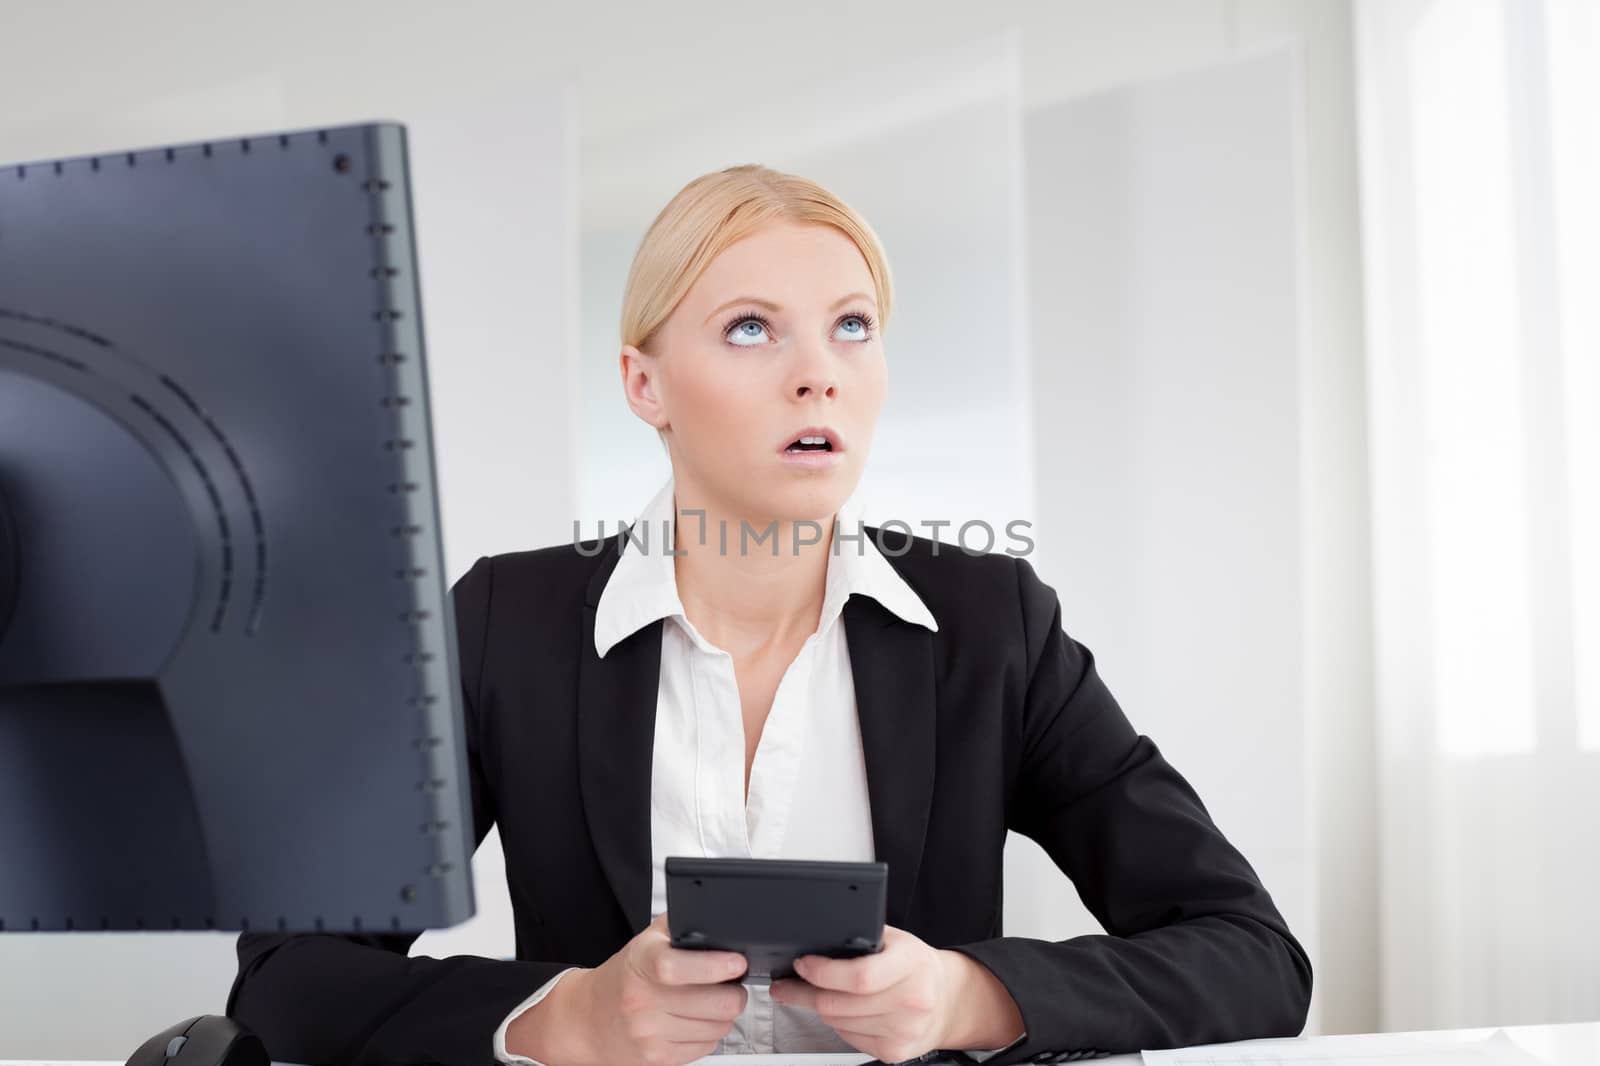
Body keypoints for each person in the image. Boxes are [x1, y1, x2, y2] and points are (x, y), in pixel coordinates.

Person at [227, 164, 1312, 1066]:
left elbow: (1251, 953)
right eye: (750, 328)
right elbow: (286, 973)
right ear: (644, 384)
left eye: (852, 327)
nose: (817, 377)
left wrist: (966, 995)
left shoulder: (993, 627)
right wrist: (568, 1016)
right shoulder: (505, 623)